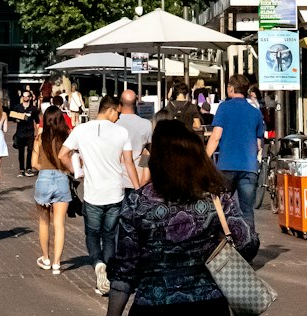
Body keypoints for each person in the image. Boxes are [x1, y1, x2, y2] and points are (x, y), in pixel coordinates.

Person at [107, 117, 254, 316]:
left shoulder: (138, 203)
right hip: (208, 304)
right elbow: (246, 244)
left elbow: (125, 271)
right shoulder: (216, 199)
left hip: (152, 303)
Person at [60, 93, 139, 297]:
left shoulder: (81, 130)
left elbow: (62, 154)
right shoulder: (121, 132)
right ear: (111, 109)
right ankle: (108, 275)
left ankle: (97, 265)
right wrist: (138, 189)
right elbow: (129, 163)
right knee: (110, 236)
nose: (118, 118)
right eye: (117, 114)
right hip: (115, 192)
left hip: (93, 193)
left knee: (93, 234)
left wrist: (76, 172)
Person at [204, 74, 265, 245]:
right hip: (249, 167)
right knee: (247, 210)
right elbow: (259, 143)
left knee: (221, 208)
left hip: (226, 166)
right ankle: (249, 245)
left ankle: (221, 245)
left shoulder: (224, 108)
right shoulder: (255, 112)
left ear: (231, 88)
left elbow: (215, 137)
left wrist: (204, 159)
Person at [32, 105, 72, 275]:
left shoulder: (39, 139)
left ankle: (46, 258)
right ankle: (57, 263)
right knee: (59, 224)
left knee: (43, 222)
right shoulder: (66, 137)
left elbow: (34, 164)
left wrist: (45, 167)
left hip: (44, 179)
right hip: (62, 178)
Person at [118, 90, 152, 188]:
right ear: (136, 102)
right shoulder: (146, 124)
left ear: (120, 103)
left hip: (116, 179)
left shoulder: (114, 123)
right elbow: (149, 152)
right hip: (139, 177)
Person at [11, 87, 39, 176]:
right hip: (20, 132)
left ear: (30, 98)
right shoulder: (17, 107)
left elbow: (37, 121)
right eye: (24, 96)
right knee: (21, 151)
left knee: (30, 151)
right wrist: (17, 119)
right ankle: (21, 169)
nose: (25, 98)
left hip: (30, 132)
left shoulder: (33, 109)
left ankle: (29, 168)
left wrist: (37, 132)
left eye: (27, 96)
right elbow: (12, 117)